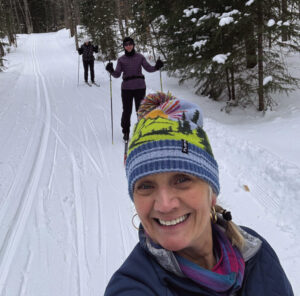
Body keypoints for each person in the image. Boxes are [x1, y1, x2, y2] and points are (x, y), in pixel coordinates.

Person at [104, 92, 294, 296]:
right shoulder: (134, 286)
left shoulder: (256, 250)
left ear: (211, 192)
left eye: (181, 179)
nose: (165, 204)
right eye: (145, 186)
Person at [105, 37, 164, 141]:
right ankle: (126, 131)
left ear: (133, 45)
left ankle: (142, 130)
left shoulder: (140, 57)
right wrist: (111, 70)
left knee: (141, 110)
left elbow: (148, 68)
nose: (128, 46)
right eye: (126, 44)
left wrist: (157, 67)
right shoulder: (121, 59)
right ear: (124, 46)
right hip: (127, 88)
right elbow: (117, 74)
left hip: (140, 87)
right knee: (127, 110)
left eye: (130, 44)